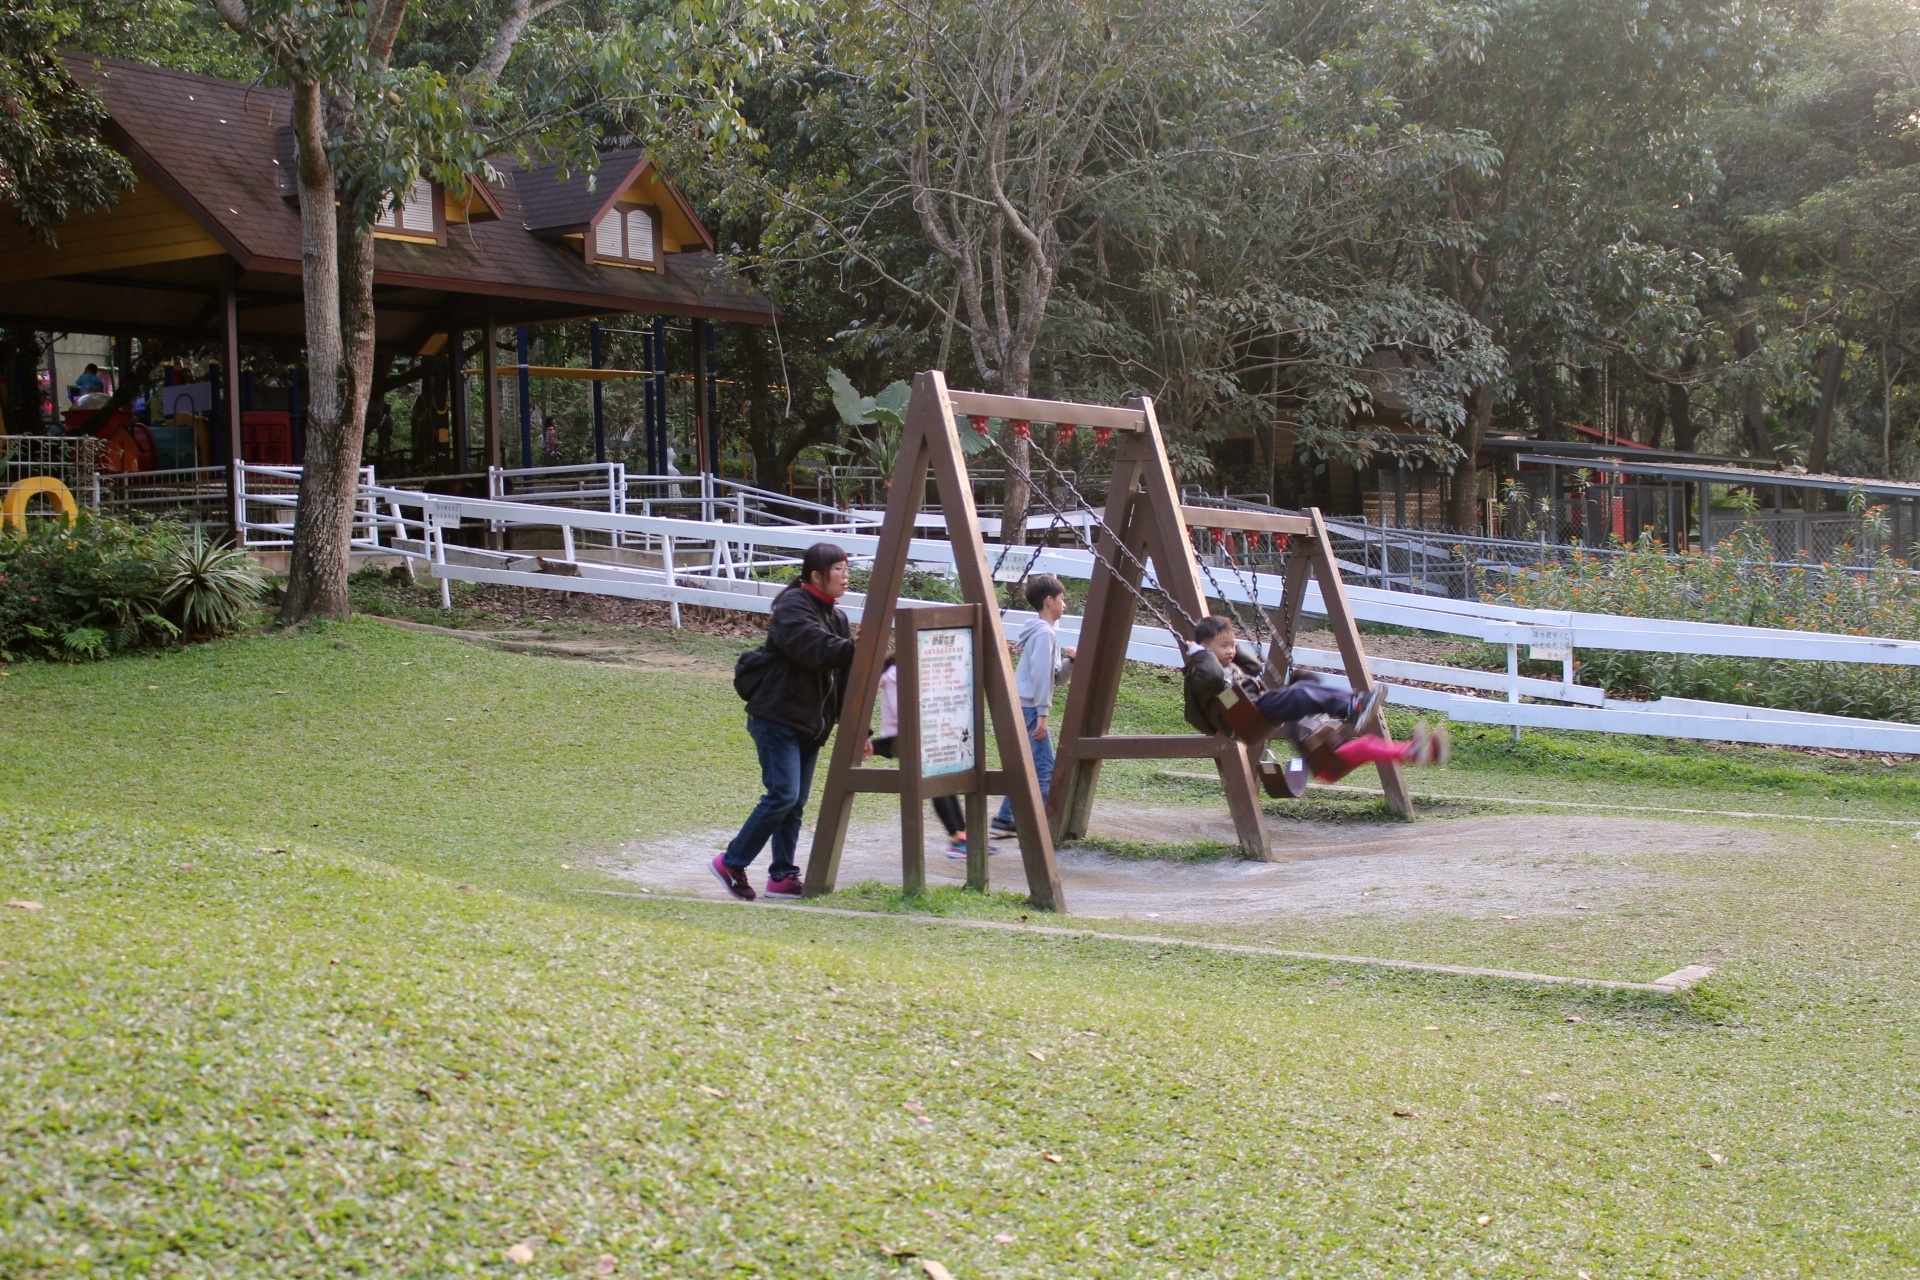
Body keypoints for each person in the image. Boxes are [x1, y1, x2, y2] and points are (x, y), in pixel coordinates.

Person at [716, 542, 858, 900]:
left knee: (794, 804)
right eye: (838, 569)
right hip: (777, 718)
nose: (845, 575)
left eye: (846, 568)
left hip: (810, 725)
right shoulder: (793, 606)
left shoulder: (837, 616)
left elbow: (841, 676)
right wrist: (862, 646)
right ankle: (731, 861)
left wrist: (859, 728)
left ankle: (782, 876)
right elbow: (816, 650)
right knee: (783, 795)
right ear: (815, 575)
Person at [1181, 615, 1445, 778]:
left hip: (1257, 707)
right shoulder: (1201, 672)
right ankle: (1353, 707)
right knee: (1301, 693)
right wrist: (1200, 654)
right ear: (1204, 650)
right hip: (1245, 714)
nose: (1231, 651)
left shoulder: (1224, 664)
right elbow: (1213, 677)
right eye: (1224, 646)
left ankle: (1354, 704)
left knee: (1306, 685)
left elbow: (1253, 669)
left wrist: (1228, 651)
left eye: (1233, 645)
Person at [990, 575, 1077, 839]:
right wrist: (1042, 714)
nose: (1065, 605)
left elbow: (1054, 677)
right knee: (1045, 767)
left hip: (1026, 705)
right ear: (1049, 601)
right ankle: (1043, 824)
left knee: (1026, 765)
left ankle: (1006, 819)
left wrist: (1070, 662)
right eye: (1062, 600)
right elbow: (1041, 678)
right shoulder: (1043, 634)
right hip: (1030, 708)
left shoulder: (1045, 634)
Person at [872, 654, 970, 858]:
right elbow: (902, 713)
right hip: (903, 738)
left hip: (924, 735)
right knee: (936, 778)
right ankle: (956, 837)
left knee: (944, 777)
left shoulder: (916, 671)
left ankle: (962, 835)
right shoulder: (894, 675)